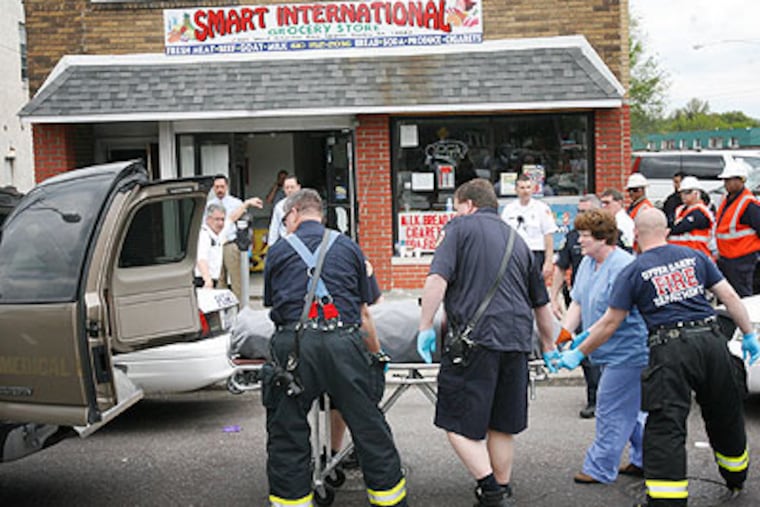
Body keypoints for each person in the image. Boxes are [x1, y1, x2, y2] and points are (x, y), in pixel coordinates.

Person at [553, 208, 760, 506]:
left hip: (670, 348)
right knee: (724, 413)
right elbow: (729, 297)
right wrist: (748, 334)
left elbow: (611, 321)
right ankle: (736, 475)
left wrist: (577, 354)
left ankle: (667, 499)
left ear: (636, 236)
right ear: (667, 232)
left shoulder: (633, 270)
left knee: (665, 423)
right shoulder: (695, 257)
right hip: (711, 342)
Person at [263, 189, 407, 507]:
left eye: (286, 219)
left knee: (287, 433)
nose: (286, 225)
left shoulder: (277, 252)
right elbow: (365, 312)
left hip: (294, 349)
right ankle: (389, 501)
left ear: (295, 213)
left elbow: (274, 307)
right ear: (321, 215)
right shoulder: (349, 247)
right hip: (343, 344)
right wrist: (374, 355)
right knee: (369, 429)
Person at [417, 178, 556, 507]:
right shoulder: (518, 241)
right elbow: (542, 304)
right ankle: (501, 488)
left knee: (455, 421)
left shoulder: (459, 229)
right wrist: (549, 345)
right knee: (501, 423)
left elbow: (437, 278)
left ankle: (491, 489)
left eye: (455, 205)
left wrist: (425, 325)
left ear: (466, 204)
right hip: (517, 342)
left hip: (475, 342)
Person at [556, 209, 648, 485]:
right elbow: (579, 302)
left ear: (603, 238)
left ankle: (599, 467)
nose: (579, 241)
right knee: (628, 409)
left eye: (585, 236)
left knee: (609, 408)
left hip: (628, 350)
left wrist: (579, 349)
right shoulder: (587, 263)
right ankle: (648, 458)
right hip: (605, 349)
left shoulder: (623, 266)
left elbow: (611, 321)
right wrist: (563, 335)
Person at [550, 194, 602, 419]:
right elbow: (561, 267)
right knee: (585, 352)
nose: (580, 216)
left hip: (604, 304)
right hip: (579, 303)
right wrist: (553, 297)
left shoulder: (611, 238)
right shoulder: (572, 237)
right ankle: (594, 399)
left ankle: (608, 396)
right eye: (579, 211)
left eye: (586, 211)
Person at [207, 174, 263, 303]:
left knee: (236, 279)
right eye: (216, 187)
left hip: (230, 244)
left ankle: (240, 308)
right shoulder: (209, 204)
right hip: (215, 246)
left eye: (222, 186)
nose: (219, 189)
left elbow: (237, 220)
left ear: (227, 186)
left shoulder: (236, 203)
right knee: (219, 278)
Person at [715, 159, 760, 297]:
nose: (726, 183)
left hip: (743, 260)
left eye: (729, 180)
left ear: (741, 180)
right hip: (726, 258)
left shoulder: (748, 204)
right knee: (728, 296)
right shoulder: (727, 200)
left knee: (743, 296)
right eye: (725, 180)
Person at [500, 174, 557, 281]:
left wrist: (548, 261)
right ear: (516, 190)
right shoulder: (509, 209)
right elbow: (503, 235)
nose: (525, 191)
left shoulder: (542, 208)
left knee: (537, 291)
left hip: (536, 253)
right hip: (515, 254)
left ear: (533, 189)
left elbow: (548, 236)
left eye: (528, 187)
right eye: (522, 188)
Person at [667, 176, 714, 258]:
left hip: (697, 255)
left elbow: (684, 226)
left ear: (696, 194)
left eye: (687, 192)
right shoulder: (680, 209)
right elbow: (668, 221)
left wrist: (670, 230)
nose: (683, 195)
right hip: (680, 256)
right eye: (682, 193)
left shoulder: (701, 211)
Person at [194, 203, 225, 288]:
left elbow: (231, 218)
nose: (220, 223)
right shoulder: (204, 235)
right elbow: (201, 259)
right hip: (203, 280)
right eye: (217, 219)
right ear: (208, 219)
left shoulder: (216, 235)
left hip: (212, 279)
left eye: (222, 219)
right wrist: (207, 279)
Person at [267, 174, 301, 246]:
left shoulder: (306, 203)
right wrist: (271, 246)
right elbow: (274, 228)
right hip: (285, 243)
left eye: (292, 187)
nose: (289, 190)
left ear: (298, 187)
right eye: (287, 188)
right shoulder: (279, 206)